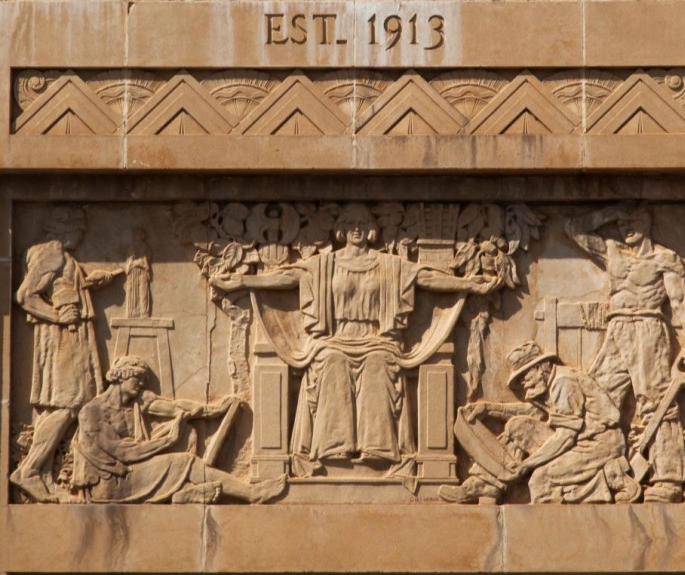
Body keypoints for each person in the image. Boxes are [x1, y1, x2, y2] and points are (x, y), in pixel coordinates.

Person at [213, 203, 488, 476]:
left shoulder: (389, 265)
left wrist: (467, 284)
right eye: (351, 224)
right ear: (342, 230)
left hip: (378, 341)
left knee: (379, 364)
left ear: (371, 230)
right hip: (333, 341)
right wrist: (242, 282)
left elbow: (426, 278)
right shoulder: (324, 265)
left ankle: (378, 449)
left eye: (362, 224)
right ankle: (334, 448)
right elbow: (287, 276)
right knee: (333, 362)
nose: (357, 229)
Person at [566, 202, 685, 502]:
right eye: (622, 221)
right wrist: (611, 212)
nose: (626, 226)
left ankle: (669, 478)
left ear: (648, 221)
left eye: (633, 220)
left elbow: (681, 302)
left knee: (656, 399)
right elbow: (573, 228)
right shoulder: (612, 251)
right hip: (617, 328)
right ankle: (601, 474)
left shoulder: (665, 259)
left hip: (647, 327)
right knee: (598, 397)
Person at [11, 206, 123, 502]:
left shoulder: (58, 254)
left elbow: (62, 286)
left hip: (70, 334)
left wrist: (89, 282)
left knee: (67, 405)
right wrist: (58, 316)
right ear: (64, 227)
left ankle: (43, 475)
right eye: (79, 228)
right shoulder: (53, 252)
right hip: (63, 336)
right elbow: (25, 296)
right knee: (68, 404)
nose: (82, 234)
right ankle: (30, 470)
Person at [439, 341, 640, 504]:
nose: (523, 383)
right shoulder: (552, 381)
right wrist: (489, 409)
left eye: (524, 376)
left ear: (540, 368)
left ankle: (608, 476)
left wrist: (527, 465)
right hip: (579, 440)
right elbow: (535, 412)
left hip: (599, 445)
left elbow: (565, 437)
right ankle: (485, 485)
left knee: (540, 480)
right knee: (518, 427)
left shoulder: (564, 384)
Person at [72, 355, 286, 504]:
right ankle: (251, 493)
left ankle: (184, 491)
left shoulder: (138, 400)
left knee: (188, 432)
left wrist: (214, 410)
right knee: (185, 461)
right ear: (122, 376)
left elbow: (176, 407)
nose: (142, 384)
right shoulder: (92, 412)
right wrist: (167, 441)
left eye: (144, 380)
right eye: (138, 378)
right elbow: (124, 453)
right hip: (112, 483)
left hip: (134, 469)